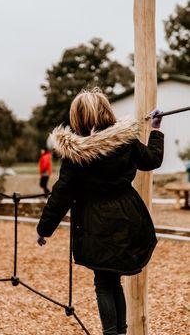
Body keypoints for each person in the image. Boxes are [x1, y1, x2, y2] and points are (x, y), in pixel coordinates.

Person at [36, 88, 164, 335]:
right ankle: (120, 332)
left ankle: (112, 333)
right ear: (107, 112)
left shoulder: (76, 155)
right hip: (127, 217)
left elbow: (61, 195)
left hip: (95, 224)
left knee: (104, 282)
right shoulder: (125, 142)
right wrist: (156, 130)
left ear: (78, 119)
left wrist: (44, 229)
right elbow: (151, 160)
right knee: (114, 279)